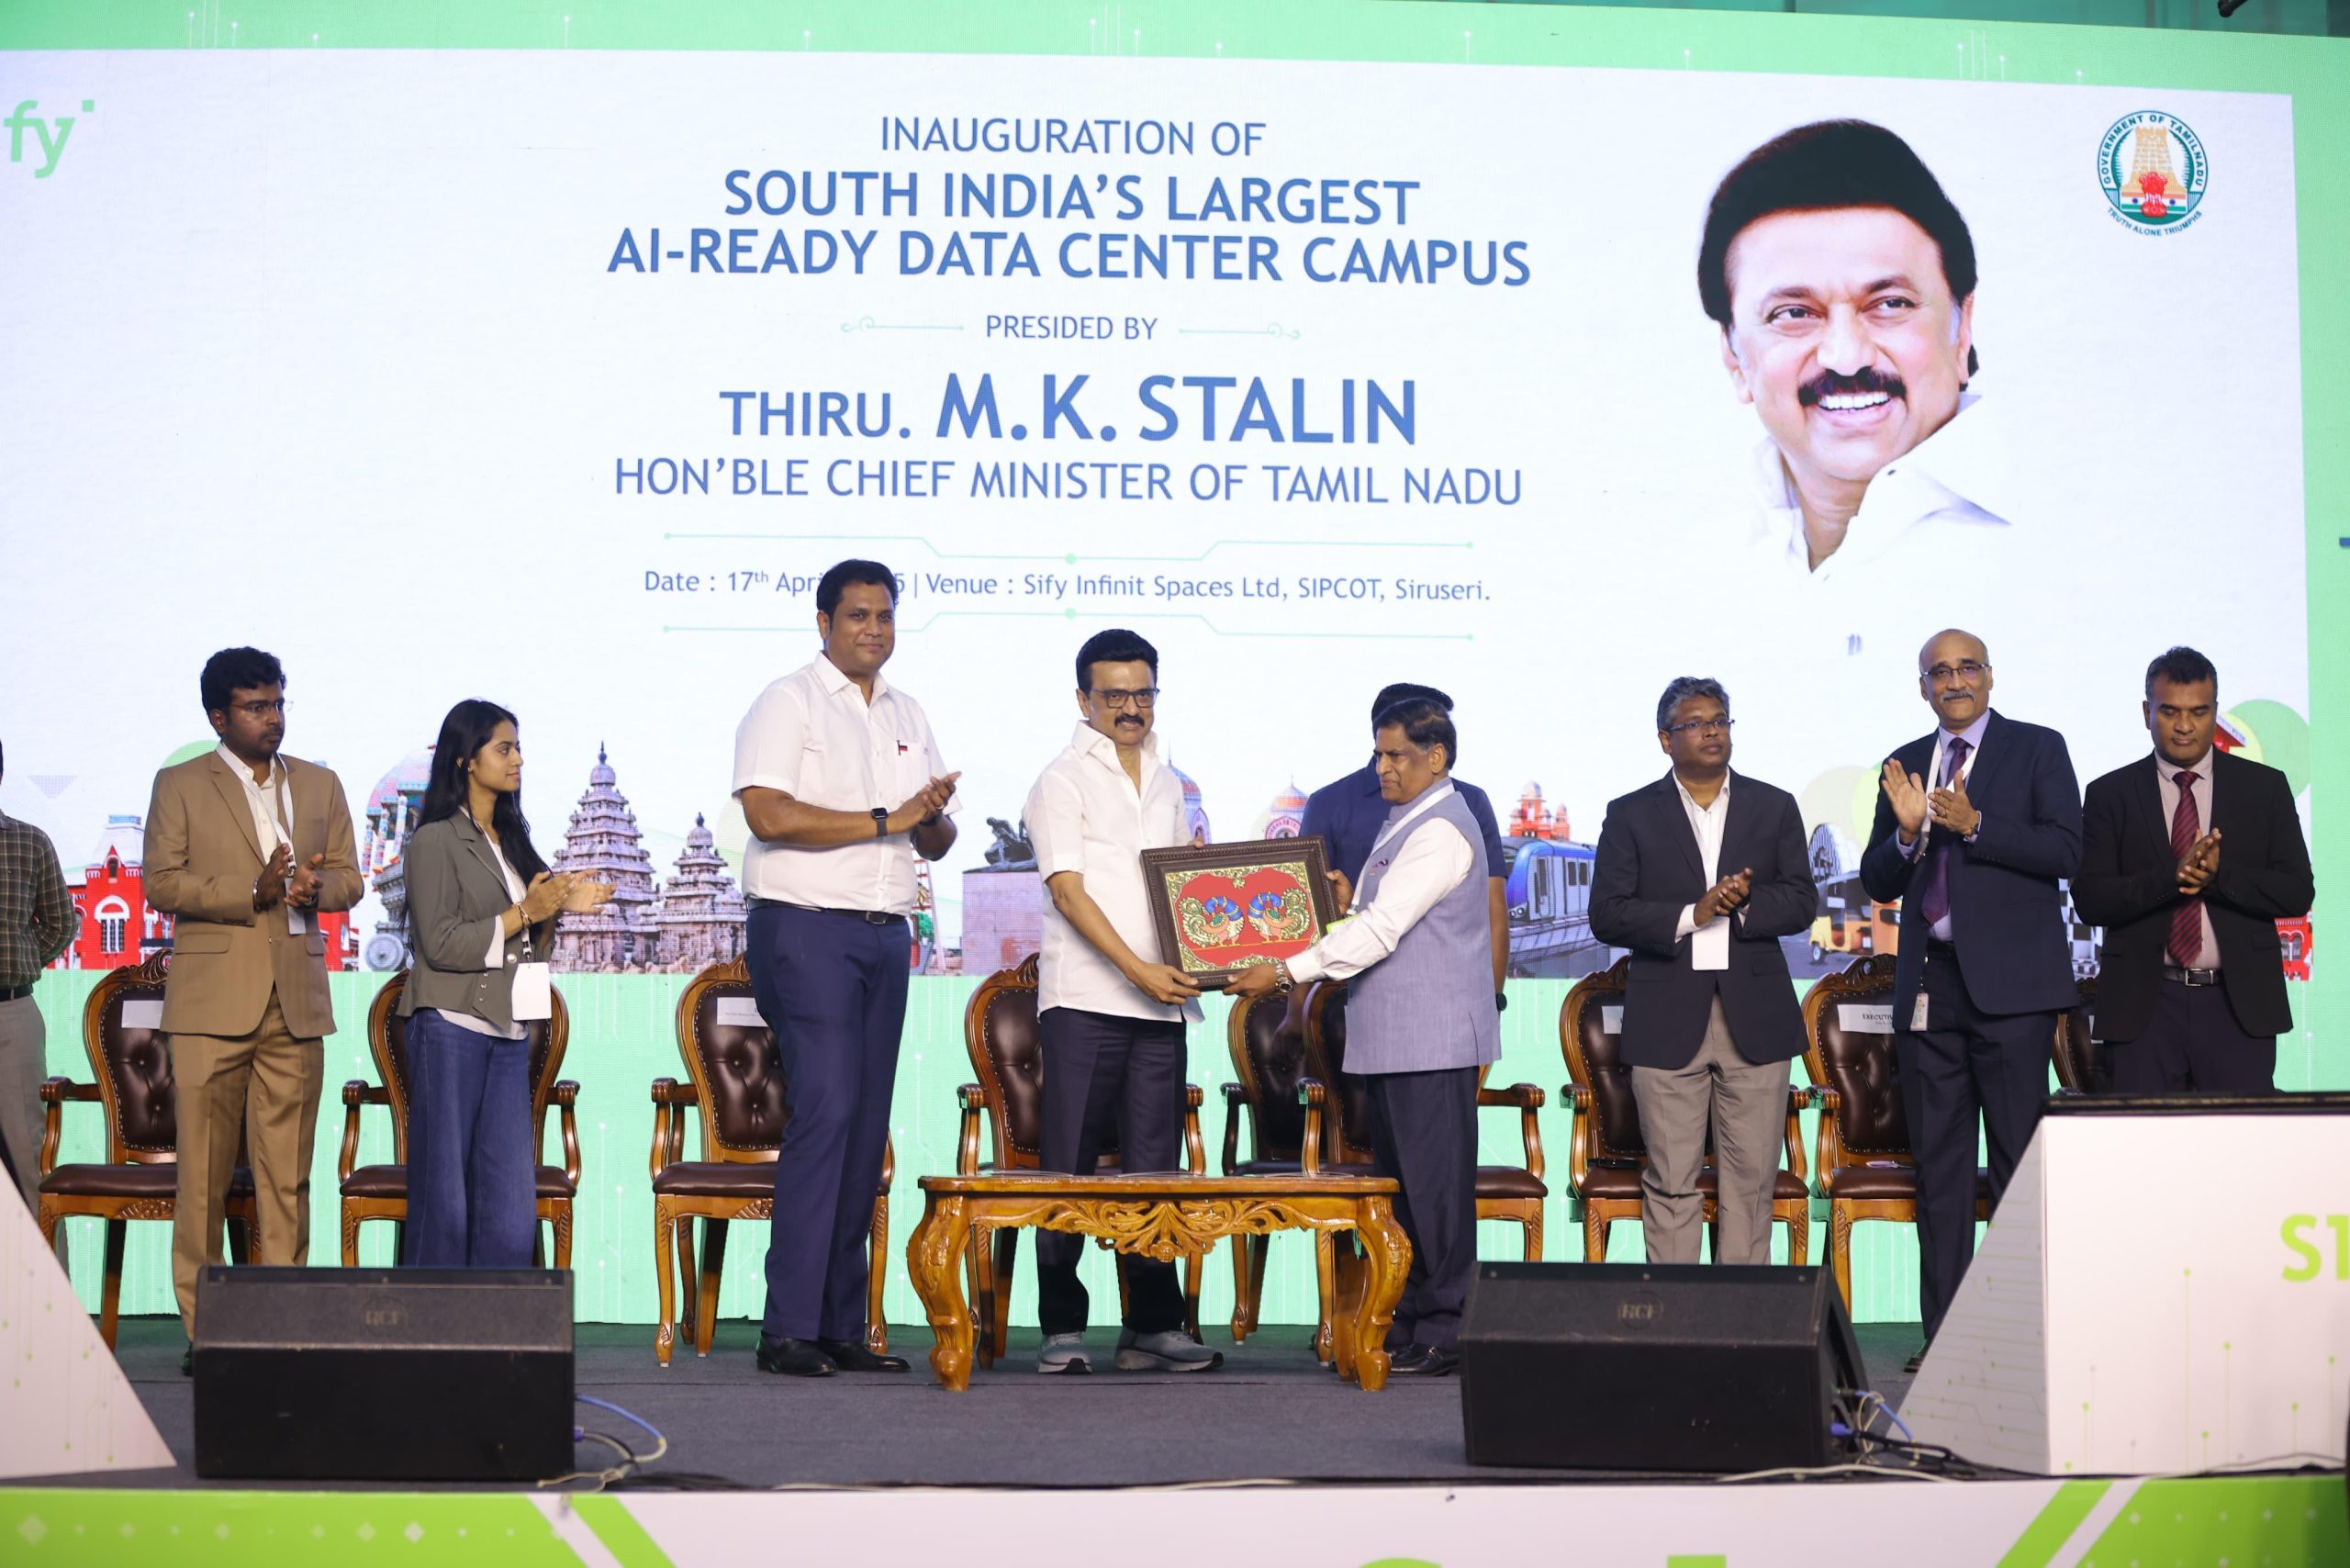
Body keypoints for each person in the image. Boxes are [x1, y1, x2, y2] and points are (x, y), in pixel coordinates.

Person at [733, 559, 958, 1377]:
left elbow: (936, 839)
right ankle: (786, 1328)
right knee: (826, 1113)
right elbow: (768, 814)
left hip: (884, 931)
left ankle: (838, 1325)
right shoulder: (786, 701)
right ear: (824, 623)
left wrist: (928, 817)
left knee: (864, 1126)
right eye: (858, 615)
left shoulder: (907, 711)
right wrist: (887, 817)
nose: (874, 629)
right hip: (806, 926)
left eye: (885, 615)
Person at [1228, 697, 1494, 1376]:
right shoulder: (1407, 820)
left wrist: (1282, 971)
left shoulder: (1440, 828)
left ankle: (1446, 1331)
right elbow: (1380, 915)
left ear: (1436, 757)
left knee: (1436, 1195)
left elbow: (1381, 932)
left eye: (1396, 755)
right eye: (1379, 754)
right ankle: (1409, 1323)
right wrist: (1347, 903)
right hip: (1398, 1039)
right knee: (1406, 1193)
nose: (1382, 768)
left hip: (1430, 1041)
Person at [1860, 629, 2079, 1370]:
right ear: (1923, 686)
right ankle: (1949, 1339)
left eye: (1967, 668)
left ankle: (2023, 1335)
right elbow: (1878, 878)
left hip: (2014, 993)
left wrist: (1975, 824)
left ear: (1990, 677)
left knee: (2019, 1165)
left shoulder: (2038, 749)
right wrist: (1907, 835)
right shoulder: (1904, 762)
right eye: (1939, 672)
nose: (1954, 681)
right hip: (1931, 988)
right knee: (1941, 1172)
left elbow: (2066, 851)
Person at [145, 647, 361, 1370]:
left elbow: (351, 880)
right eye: (256, 706)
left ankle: (284, 1325)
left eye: (278, 704)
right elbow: (162, 883)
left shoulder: (320, 783)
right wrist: (254, 891)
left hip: (295, 1003)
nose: (273, 718)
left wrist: (312, 888)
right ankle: (206, 1332)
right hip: (211, 1005)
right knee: (203, 1181)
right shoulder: (180, 784)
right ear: (219, 716)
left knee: (287, 1179)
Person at [1024, 628, 1223, 1374]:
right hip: (1083, 1001)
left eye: (1143, 693)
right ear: (1084, 699)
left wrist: (1202, 885)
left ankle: (1151, 1326)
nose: (1131, 708)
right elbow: (1068, 893)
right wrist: (1137, 968)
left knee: (1153, 1171)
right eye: (1115, 696)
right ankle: (1061, 1329)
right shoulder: (1060, 781)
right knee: (1070, 1171)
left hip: (1162, 1002)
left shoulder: (1169, 780)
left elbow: (1168, 884)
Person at [1698, 119, 2007, 581]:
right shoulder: (1700, 571)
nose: (1846, 357)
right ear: (1734, 357)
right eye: (1794, 313)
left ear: (1962, 331)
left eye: (1891, 304)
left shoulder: (2067, 541)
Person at [1589, 678, 1817, 1265]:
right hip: (1667, 1017)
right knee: (1670, 1181)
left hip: (1756, 1018)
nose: (1711, 731)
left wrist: (1745, 904)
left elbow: (1801, 902)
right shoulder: (1630, 814)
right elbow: (1607, 914)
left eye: (1719, 720)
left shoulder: (1774, 806)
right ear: (1665, 740)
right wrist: (1695, 913)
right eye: (1694, 723)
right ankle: (1674, 1313)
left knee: (1752, 1185)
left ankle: (1740, 1314)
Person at [397, 700, 611, 1266]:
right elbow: (440, 944)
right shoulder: (435, 840)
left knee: (511, 1212)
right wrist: (525, 911)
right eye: (504, 748)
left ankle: (500, 1319)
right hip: (450, 1027)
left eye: (518, 748)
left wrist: (557, 910)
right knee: (444, 1205)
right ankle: (429, 1319)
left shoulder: (511, 840)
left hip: (509, 1032)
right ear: (466, 759)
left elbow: (526, 942)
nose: (518, 759)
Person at [2073, 647, 2312, 1093]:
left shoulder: (2264, 788)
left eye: (2199, 712)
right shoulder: (2110, 793)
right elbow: (2090, 899)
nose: (2184, 725)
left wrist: (2220, 879)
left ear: (2215, 713)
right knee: (2146, 1137)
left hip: (2238, 1007)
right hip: (2144, 1008)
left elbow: (2297, 891)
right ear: (2147, 712)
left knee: (2240, 1136)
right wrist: (2172, 877)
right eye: (2170, 711)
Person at [1283, 683, 1509, 1049]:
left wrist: (1491, 1004)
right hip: (1344, 1006)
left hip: (1439, 1019)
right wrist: (1296, 1009)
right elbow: (1309, 914)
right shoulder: (1329, 803)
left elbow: (1492, 910)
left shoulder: (1465, 804)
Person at [0, 739, 74, 1216]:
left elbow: (61, 923)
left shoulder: (30, 841)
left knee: (28, 1156)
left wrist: (19, 960)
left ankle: (42, 1269)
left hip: (10, 1012)